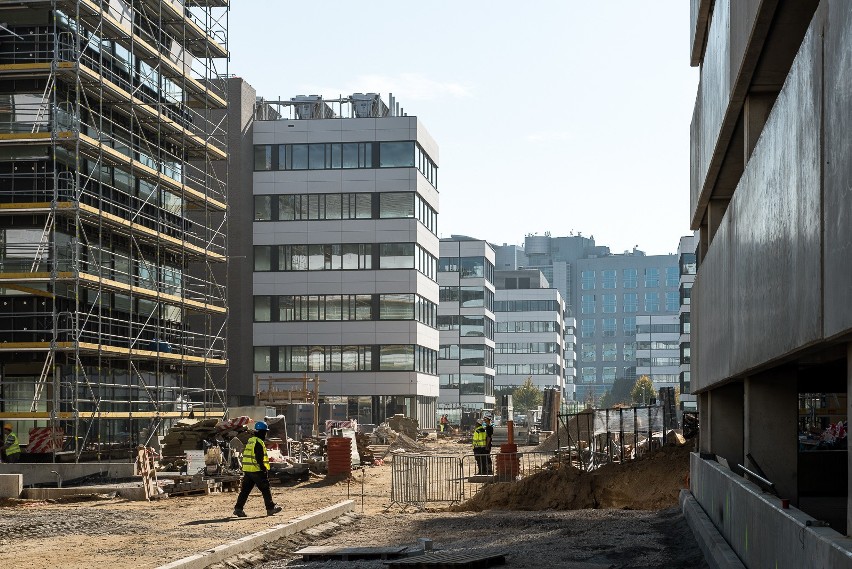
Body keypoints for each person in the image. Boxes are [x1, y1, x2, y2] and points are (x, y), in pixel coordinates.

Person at [233, 421, 282, 517]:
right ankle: (270, 508)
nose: (265, 434)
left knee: (245, 490)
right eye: (265, 432)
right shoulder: (258, 442)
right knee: (265, 489)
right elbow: (259, 458)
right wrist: (263, 469)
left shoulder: (251, 440)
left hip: (248, 470)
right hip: (256, 470)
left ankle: (238, 508)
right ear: (262, 432)